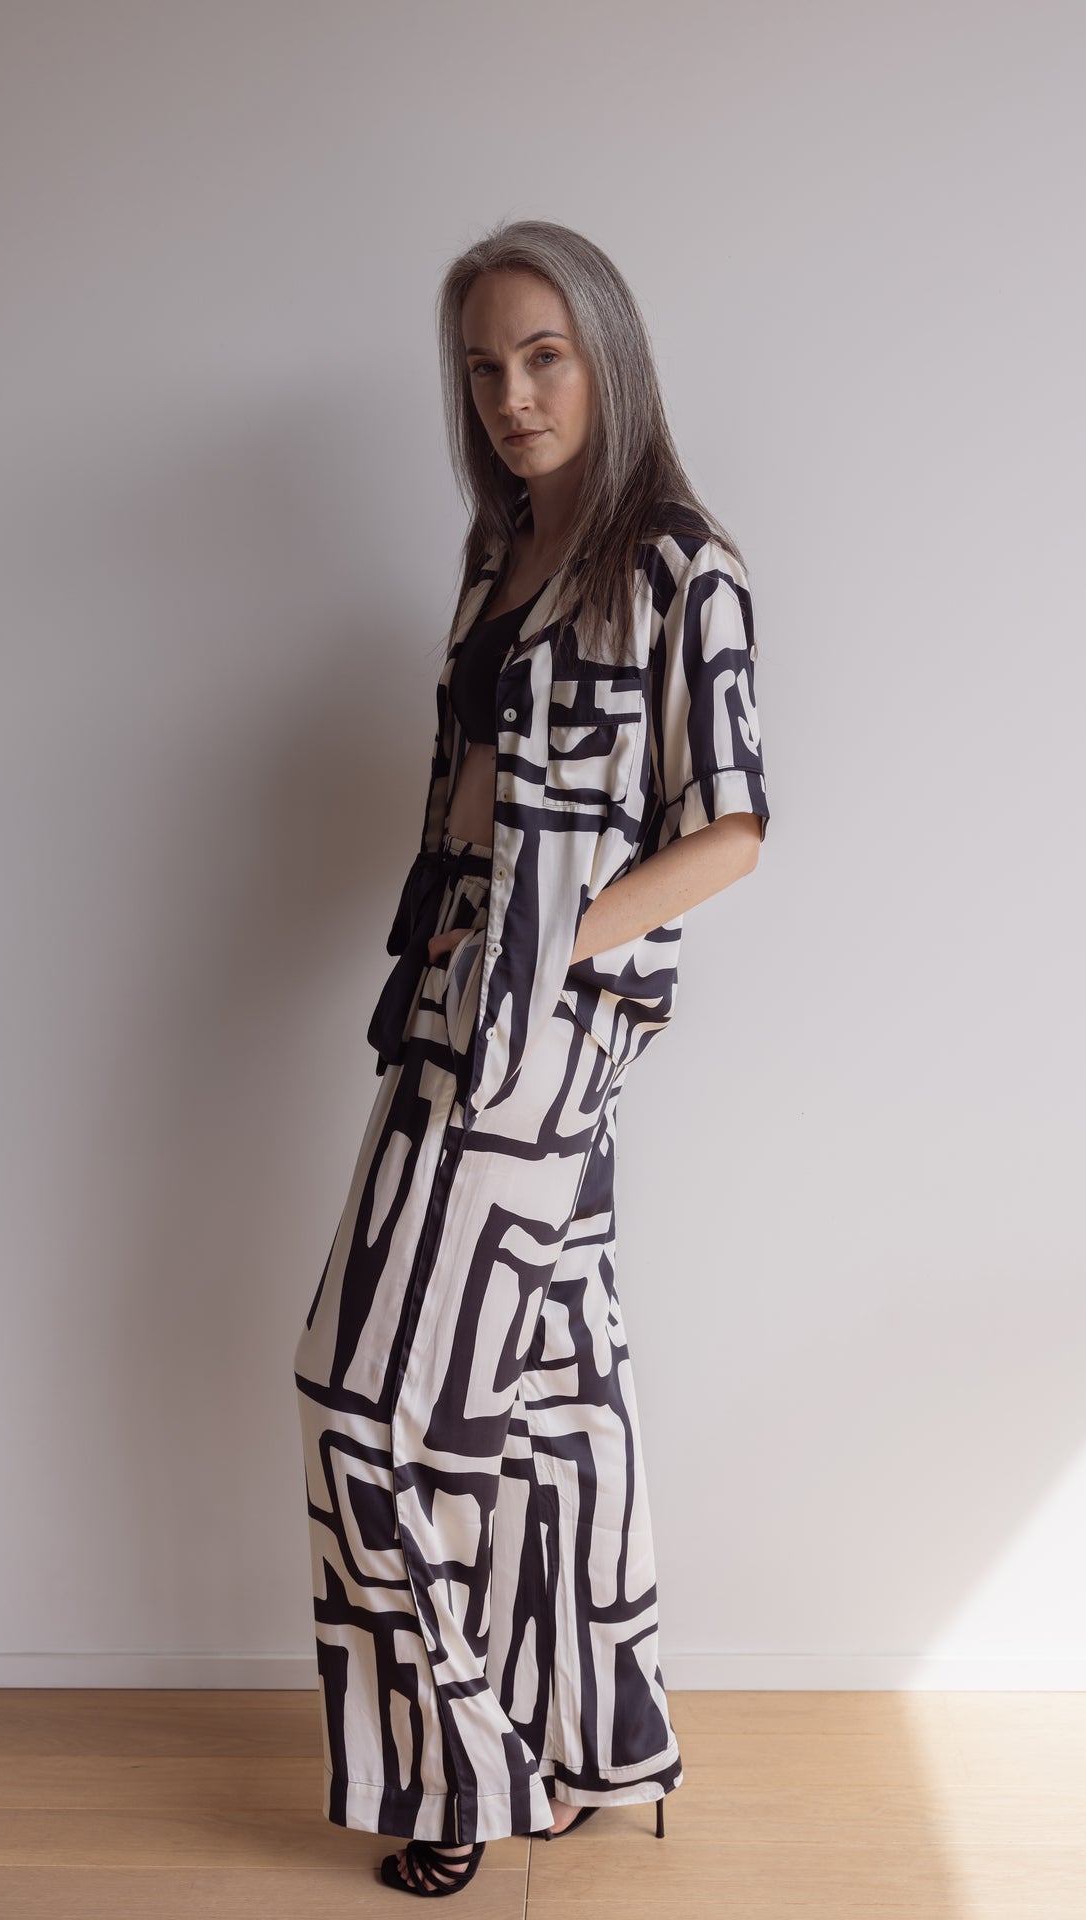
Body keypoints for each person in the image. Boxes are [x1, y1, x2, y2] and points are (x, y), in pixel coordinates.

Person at [293, 217, 769, 1899]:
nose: (510, 394)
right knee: (548, 1411)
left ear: (609, 357)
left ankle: (461, 1767)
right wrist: (449, 926)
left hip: (543, 1043)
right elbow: (471, 794)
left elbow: (730, 834)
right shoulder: (496, 554)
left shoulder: (680, 570)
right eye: (484, 367)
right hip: (452, 1016)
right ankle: (569, 1757)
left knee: (360, 1396)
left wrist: (543, 948)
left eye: (543, 355)